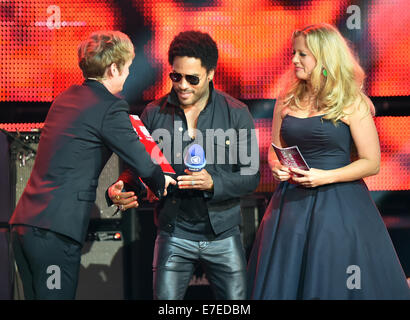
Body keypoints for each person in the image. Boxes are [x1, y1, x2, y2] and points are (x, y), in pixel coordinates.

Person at [247, 23, 410, 300]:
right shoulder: (287, 98)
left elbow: (372, 163)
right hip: (291, 206)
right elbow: (276, 150)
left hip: (339, 205)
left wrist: (324, 176)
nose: (294, 60)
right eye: (294, 53)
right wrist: (277, 167)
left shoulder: (350, 102)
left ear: (323, 57)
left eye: (303, 54)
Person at [9, 31, 175, 300]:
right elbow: (144, 164)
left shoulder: (65, 97)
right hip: (55, 232)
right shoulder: (110, 107)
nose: (129, 74)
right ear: (113, 68)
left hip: (25, 226)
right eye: (128, 68)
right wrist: (162, 183)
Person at [108, 30, 260, 300]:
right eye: (176, 76)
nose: (183, 85)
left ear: (211, 74)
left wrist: (214, 183)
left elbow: (251, 177)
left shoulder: (236, 112)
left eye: (192, 78)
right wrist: (123, 185)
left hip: (223, 234)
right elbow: (141, 169)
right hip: (174, 232)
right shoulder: (154, 113)